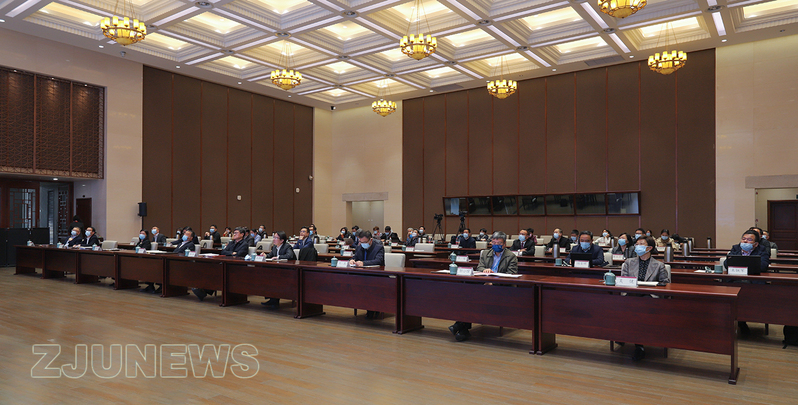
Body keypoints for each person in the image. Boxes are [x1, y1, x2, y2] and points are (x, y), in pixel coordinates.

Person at [449, 231, 518, 342]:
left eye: (499, 243)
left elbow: (511, 274)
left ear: (504, 244)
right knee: (468, 295)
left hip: (502, 288)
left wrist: (494, 281)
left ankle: (460, 326)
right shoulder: (485, 253)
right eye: (494, 243)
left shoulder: (511, 256)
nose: (496, 245)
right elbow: (479, 268)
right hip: (484, 284)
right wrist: (485, 270)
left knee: (475, 298)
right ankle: (463, 329)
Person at [620, 235, 670, 361]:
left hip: (650, 298)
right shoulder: (628, 263)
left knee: (641, 309)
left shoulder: (659, 265)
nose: (638, 246)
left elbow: (666, 284)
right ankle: (633, 341)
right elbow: (623, 282)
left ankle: (639, 345)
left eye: (641, 244)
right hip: (632, 296)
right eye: (636, 244)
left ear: (649, 248)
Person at [724, 229, 771, 335]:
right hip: (735, 280)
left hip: (753, 282)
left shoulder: (761, 250)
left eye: (749, 240)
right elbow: (727, 264)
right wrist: (749, 264)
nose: (745, 241)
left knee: (746, 293)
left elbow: (763, 266)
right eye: (743, 239)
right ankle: (740, 321)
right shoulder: (735, 248)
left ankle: (742, 320)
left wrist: (741, 264)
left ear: (756, 244)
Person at [260, 231, 296, 308]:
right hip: (278, 270)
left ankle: (274, 300)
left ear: (282, 240)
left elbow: (289, 255)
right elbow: (270, 255)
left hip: (288, 271)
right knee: (267, 277)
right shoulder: (275, 247)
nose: (274, 239)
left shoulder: (287, 246)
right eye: (274, 237)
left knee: (274, 278)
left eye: (276, 238)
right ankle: (272, 299)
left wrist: (278, 257)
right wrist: (265, 255)